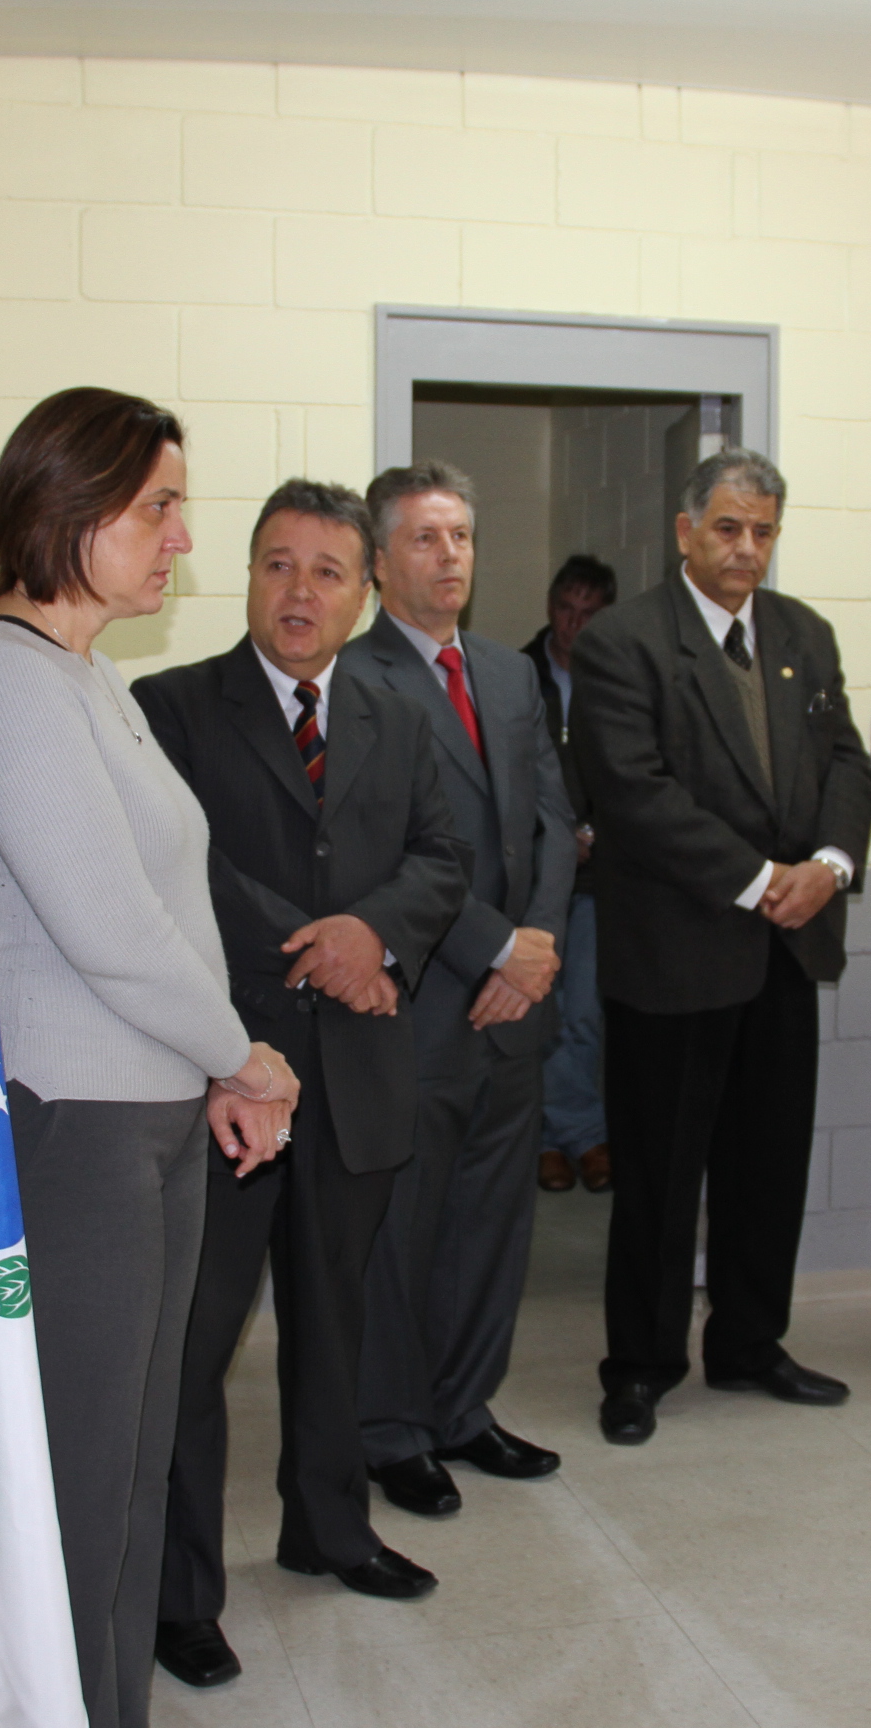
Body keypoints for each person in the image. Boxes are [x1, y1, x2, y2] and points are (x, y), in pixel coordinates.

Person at [0, 388, 301, 1728]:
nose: (181, 538)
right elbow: (104, 927)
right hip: (76, 1131)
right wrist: (245, 1054)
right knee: (82, 1484)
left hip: (147, 1113)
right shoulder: (3, 679)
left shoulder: (86, 674)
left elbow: (168, 904)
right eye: (159, 508)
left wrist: (210, 1068)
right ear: (74, 506)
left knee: (134, 1473)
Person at [135, 481, 468, 1688]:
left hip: (357, 1077)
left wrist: (374, 936)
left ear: (363, 592)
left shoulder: (400, 714)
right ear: (247, 575)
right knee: (196, 1340)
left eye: (328, 572)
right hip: (223, 1075)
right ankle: (179, 1595)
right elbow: (181, 871)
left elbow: (445, 855)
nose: (300, 592)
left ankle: (328, 1528)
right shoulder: (170, 708)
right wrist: (320, 950)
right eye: (278, 564)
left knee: (335, 1322)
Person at [570, 448, 871, 1444]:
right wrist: (760, 880)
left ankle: (749, 1343)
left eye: (763, 531)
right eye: (729, 528)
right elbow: (633, 791)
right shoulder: (623, 642)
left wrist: (829, 863)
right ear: (686, 531)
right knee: (660, 1180)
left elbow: (846, 762)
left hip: (786, 952)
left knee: (767, 1167)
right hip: (676, 955)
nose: (747, 548)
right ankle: (641, 1366)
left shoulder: (804, 635)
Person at [342, 461, 577, 1519]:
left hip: (515, 1005)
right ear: (380, 559)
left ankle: (464, 1409)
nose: (451, 557)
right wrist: (493, 951)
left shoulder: (509, 674)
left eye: (463, 537)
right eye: (426, 539)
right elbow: (378, 853)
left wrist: (536, 950)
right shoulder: (354, 678)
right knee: (405, 1231)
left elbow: (554, 823)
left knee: (490, 1223)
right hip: (424, 1004)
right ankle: (391, 1430)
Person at [524, 555, 617, 1194]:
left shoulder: (618, 679)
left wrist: (597, 833)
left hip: (595, 880)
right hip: (532, 878)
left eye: (588, 614)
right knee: (536, 1011)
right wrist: (552, 836)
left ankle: (581, 1133)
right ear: (551, 605)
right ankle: (551, 1138)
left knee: (583, 1011)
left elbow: (637, 770)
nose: (573, 625)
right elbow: (503, 778)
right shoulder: (515, 674)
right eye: (565, 609)